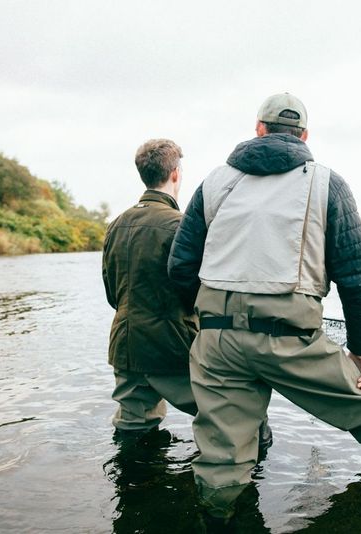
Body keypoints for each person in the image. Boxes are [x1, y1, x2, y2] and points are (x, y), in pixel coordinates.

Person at [168, 93, 361, 520]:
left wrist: (209, 328)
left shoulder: (212, 182)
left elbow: (180, 268)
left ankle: (220, 519)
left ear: (258, 129)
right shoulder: (327, 183)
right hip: (292, 339)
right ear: (304, 135)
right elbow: (357, 278)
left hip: (217, 340)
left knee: (222, 464)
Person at [102, 139, 273, 449]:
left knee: (133, 430)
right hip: (173, 346)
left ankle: (134, 493)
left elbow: (112, 292)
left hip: (125, 346)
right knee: (239, 416)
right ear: (176, 174)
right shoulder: (182, 226)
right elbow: (198, 292)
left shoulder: (116, 225)